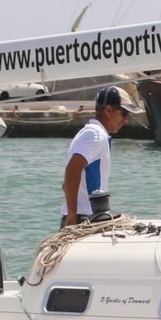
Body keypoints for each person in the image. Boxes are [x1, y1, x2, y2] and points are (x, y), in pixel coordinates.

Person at [61, 85, 131, 227]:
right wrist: (72, 217)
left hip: (89, 217)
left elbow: (66, 183)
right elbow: (72, 170)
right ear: (108, 110)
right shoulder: (95, 134)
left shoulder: (91, 133)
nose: (126, 120)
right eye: (124, 113)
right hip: (83, 220)